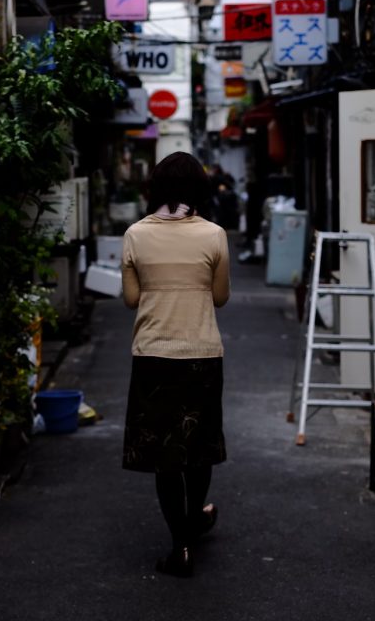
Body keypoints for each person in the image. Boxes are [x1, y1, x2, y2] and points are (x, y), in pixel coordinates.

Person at [120, 151, 232, 578]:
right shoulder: (214, 235)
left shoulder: (135, 235)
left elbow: (132, 299)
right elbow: (220, 297)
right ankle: (193, 522)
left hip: (153, 357)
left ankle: (181, 543)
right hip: (202, 354)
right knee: (198, 447)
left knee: (165, 456)